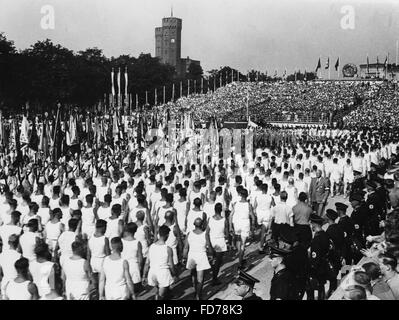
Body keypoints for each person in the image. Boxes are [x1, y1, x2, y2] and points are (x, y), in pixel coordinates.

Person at [142, 225, 176, 300]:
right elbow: (171, 265)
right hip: (163, 274)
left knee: (158, 292)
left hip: (153, 272)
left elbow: (147, 263)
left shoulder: (151, 247)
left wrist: (144, 275)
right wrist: (174, 275)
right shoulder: (168, 249)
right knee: (161, 296)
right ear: (167, 235)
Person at [183, 217, 214, 300]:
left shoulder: (189, 234)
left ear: (194, 224)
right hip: (201, 256)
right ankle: (198, 295)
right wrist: (211, 254)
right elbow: (209, 245)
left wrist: (184, 257)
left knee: (193, 274)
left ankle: (195, 288)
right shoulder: (205, 234)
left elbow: (186, 248)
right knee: (200, 278)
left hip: (192, 255)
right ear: (202, 225)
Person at [229, 188, 255, 267]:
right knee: (243, 244)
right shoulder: (248, 205)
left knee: (238, 241)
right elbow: (253, 217)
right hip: (245, 224)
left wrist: (230, 226)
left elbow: (230, 216)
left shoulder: (236, 203)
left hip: (237, 224)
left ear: (240, 195)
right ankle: (240, 263)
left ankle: (240, 256)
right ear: (247, 195)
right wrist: (252, 228)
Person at [308, 213, 330, 300]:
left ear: (314, 224)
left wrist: (312, 268)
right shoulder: (325, 234)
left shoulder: (316, 239)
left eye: (311, 224)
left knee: (312, 289)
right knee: (321, 286)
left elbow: (315, 257)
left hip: (317, 268)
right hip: (324, 265)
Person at [87, 219, 110, 299]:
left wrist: (88, 265)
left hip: (93, 262)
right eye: (105, 227)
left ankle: (97, 295)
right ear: (103, 227)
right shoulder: (105, 239)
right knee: (102, 283)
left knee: (95, 283)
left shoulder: (90, 238)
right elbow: (108, 254)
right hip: (102, 262)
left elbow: (88, 254)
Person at [207, 203, 228, 286]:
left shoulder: (210, 219)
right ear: (221, 210)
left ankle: (214, 276)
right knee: (218, 261)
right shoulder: (224, 220)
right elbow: (226, 233)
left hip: (212, 241)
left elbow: (207, 232)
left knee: (214, 260)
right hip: (220, 242)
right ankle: (214, 278)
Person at [325, 208, 345, 298]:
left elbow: (329, 246)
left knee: (332, 277)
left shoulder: (329, 231)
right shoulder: (339, 227)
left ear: (328, 218)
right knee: (340, 273)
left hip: (333, 256)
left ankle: (332, 293)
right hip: (340, 254)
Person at [121, 222, 143, 294]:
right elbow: (140, 258)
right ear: (135, 231)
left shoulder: (121, 241)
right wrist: (140, 268)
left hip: (122, 266)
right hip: (134, 267)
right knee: (134, 290)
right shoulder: (137, 242)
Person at [0, 234, 22, 299]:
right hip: (16, 283)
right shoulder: (19, 255)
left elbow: (0, 272)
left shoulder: (1, 255)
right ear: (18, 243)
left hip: (5, 281)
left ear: (8, 243)